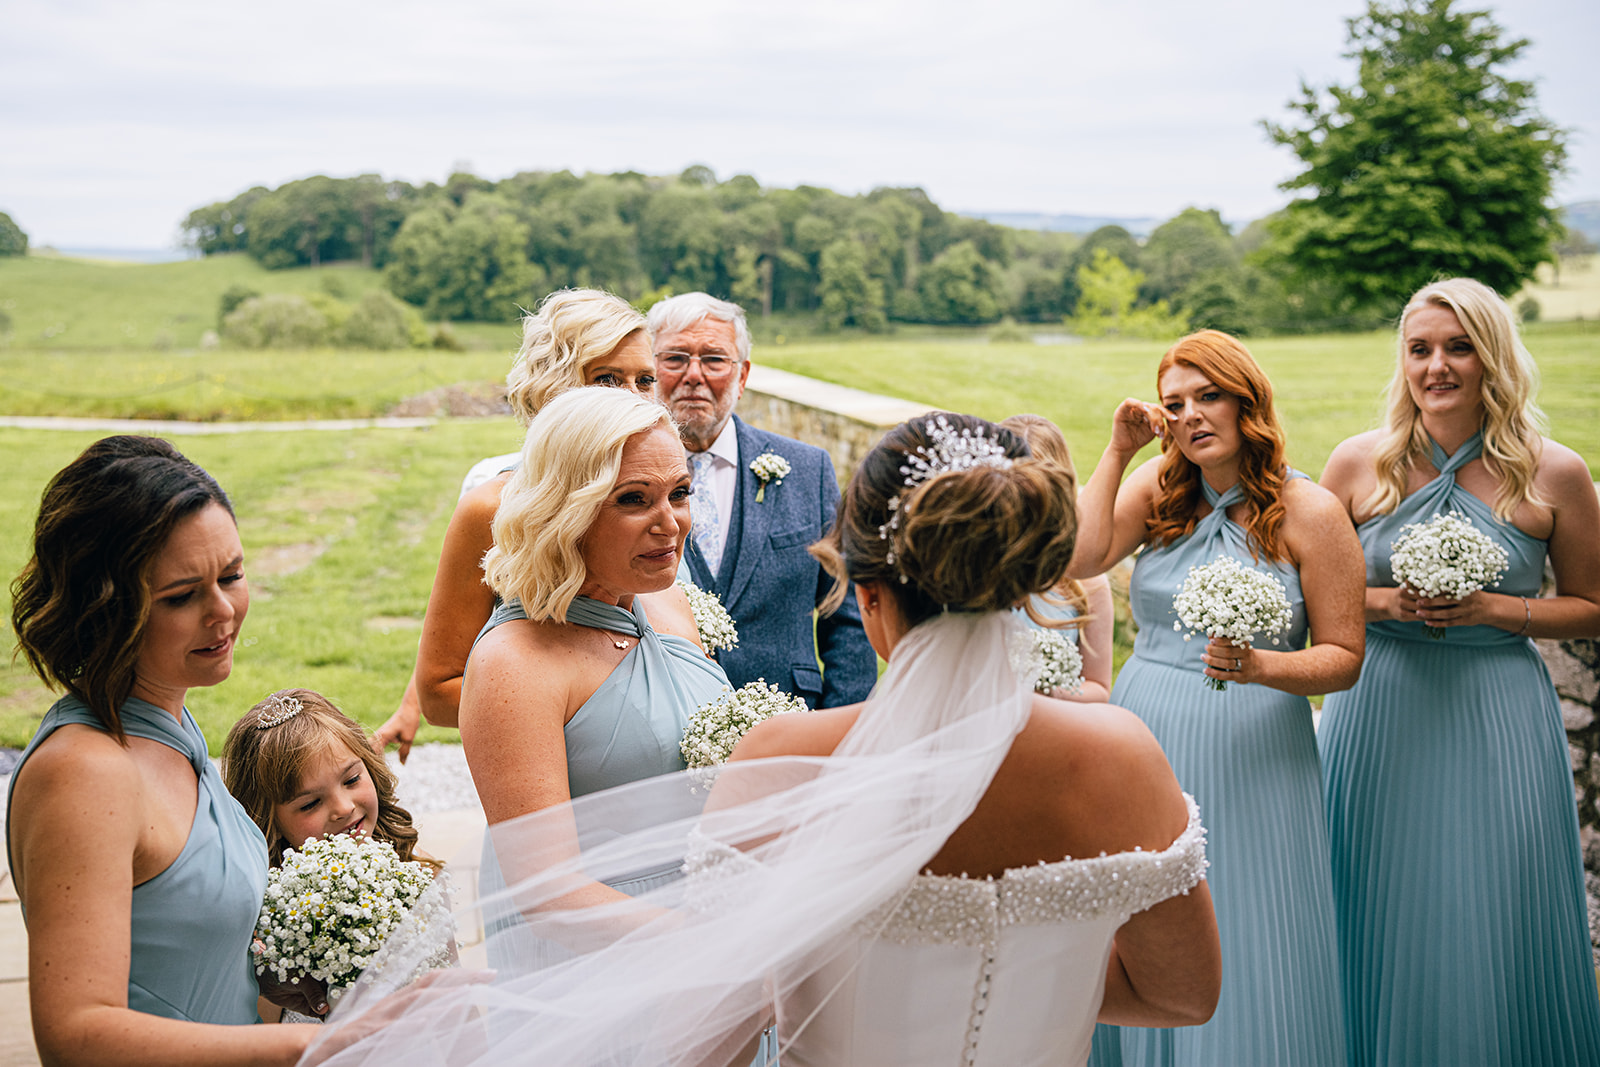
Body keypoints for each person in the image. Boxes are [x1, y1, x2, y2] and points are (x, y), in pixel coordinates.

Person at [304, 412, 1220, 1067]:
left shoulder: (785, 756)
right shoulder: (1124, 753)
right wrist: (1034, 972)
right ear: (1028, 577)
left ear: (865, 593)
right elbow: (1186, 995)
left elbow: (716, 1031)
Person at [1317, 278, 1600, 1065]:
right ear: (1402, 360)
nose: (1437, 366)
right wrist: (1387, 605)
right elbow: (1312, 596)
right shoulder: (1354, 465)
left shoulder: (1555, 474)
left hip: (1497, 708)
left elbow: (1593, 604)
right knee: (1374, 889)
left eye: (1458, 346)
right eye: (1420, 349)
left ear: (1493, 357)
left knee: (1490, 897)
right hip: (1379, 708)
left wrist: (1499, 612)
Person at [1069, 330, 1364, 1067]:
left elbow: (1344, 657)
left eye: (1209, 396)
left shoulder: (1313, 511)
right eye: (1176, 402)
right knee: (1145, 917)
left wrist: (1261, 666)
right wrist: (1117, 452)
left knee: (1251, 915)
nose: (1192, 415)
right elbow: (1078, 559)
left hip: (1257, 746)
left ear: (1246, 401)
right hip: (1148, 733)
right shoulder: (1159, 490)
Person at [5, 436, 314, 1065]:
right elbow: (76, 1035)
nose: (223, 610)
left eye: (231, 575)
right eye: (181, 596)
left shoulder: (171, 725)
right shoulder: (84, 773)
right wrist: (308, 1045)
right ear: (104, 606)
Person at [372, 288, 658, 759]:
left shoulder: (666, 501)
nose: (635, 400)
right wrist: (586, 706)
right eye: (608, 380)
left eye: (645, 380)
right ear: (556, 388)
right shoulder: (495, 507)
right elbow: (441, 688)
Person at [650, 292, 875, 709]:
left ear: (743, 374)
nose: (694, 374)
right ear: (651, 369)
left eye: (714, 360)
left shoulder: (809, 470)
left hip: (792, 724)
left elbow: (847, 617)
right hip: (666, 724)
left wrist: (836, 735)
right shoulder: (621, 479)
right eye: (676, 358)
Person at [223, 688, 440, 871]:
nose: (344, 808)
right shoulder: (262, 907)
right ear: (267, 821)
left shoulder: (420, 872)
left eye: (352, 780)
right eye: (310, 804)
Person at [1000, 413, 1115, 702]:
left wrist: (1046, 689)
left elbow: (1099, 688)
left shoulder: (1086, 581)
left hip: (1052, 725)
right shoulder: (974, 566)